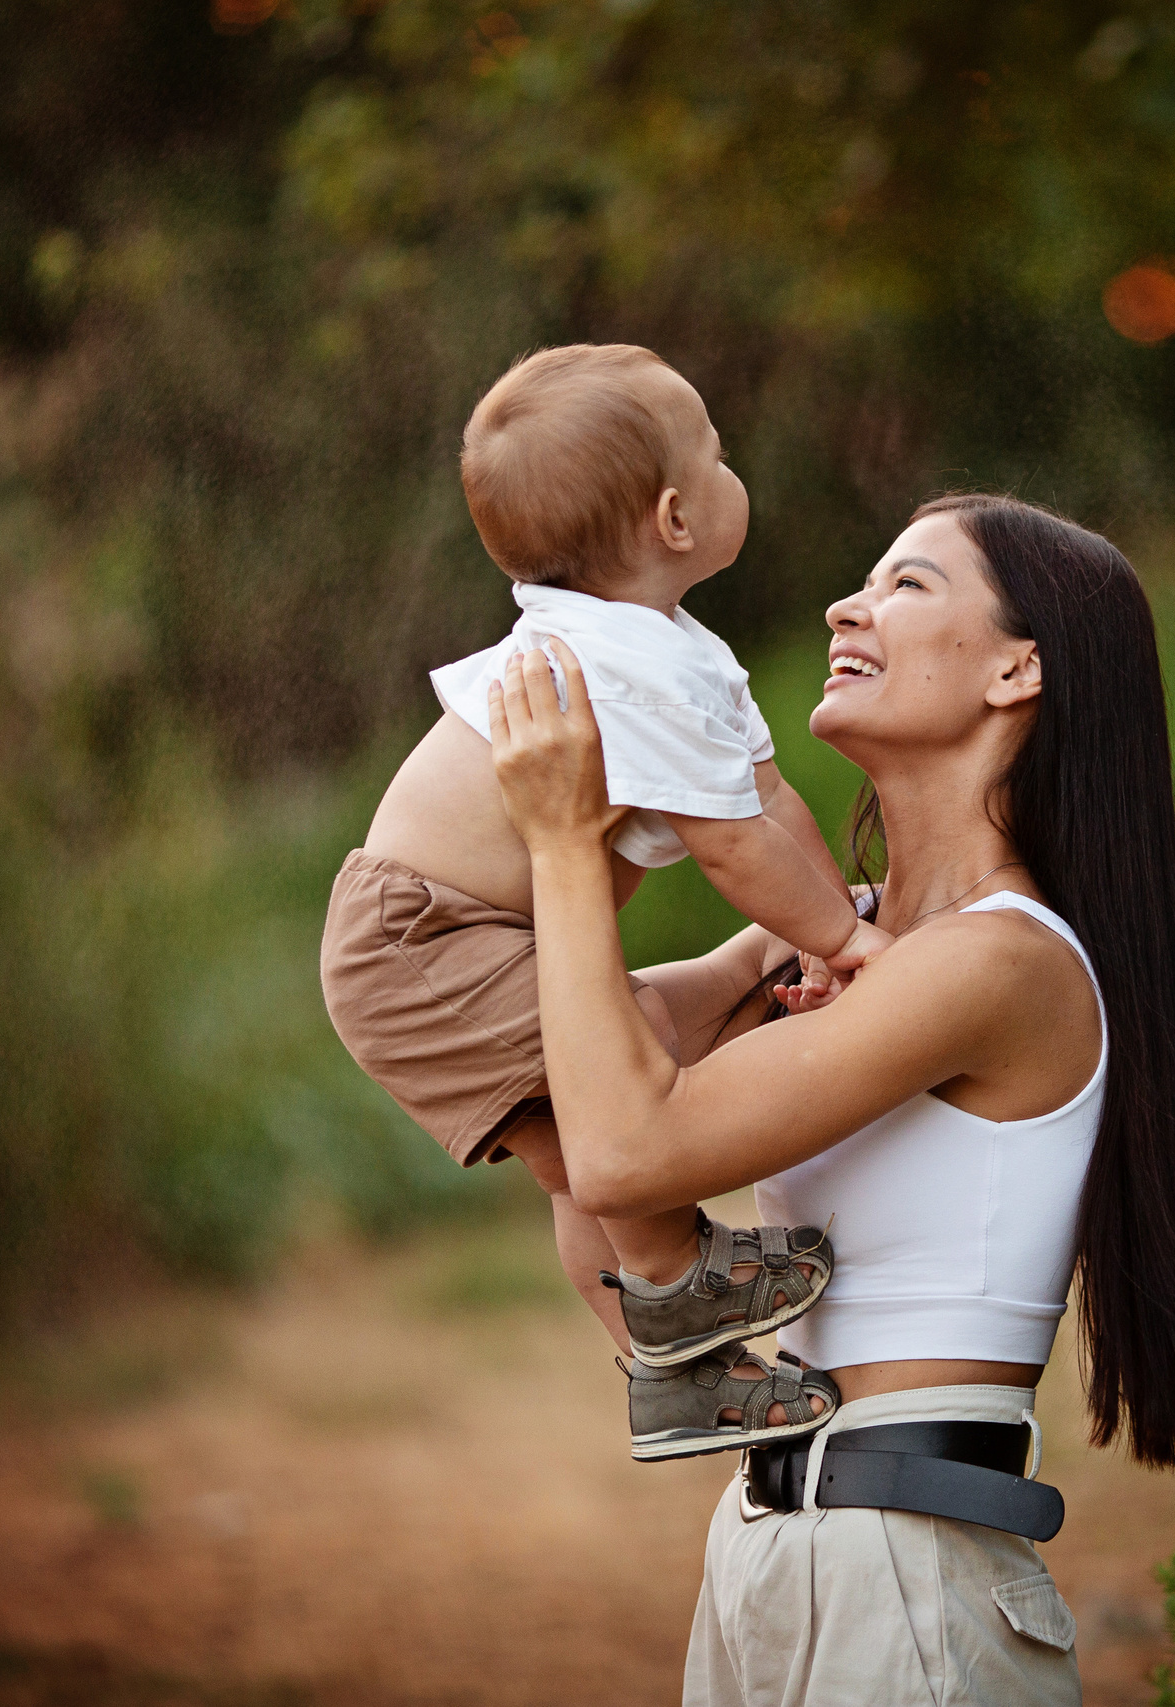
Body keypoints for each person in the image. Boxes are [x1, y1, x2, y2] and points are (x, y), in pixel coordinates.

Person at [487, 493, 1175, 1706]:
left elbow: (629, 1153)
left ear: (1018, 670)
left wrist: (565, 850)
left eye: (907, 585)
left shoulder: (1002, 963)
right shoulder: (837, 938)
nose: (849, 604)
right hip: (765, 1550)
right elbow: (569, 1097)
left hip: (904, 1572)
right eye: (866, 579)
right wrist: (642, 825)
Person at [321, 344, 893, 1458]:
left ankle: (670, 1376)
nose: (735, 472)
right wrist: (847, 938)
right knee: (602, 1105)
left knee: (600, 1097)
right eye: (719, 456)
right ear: (676, 518)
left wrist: (823, 927)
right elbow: (732, 846)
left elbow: (767, 806)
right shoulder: (618, 664)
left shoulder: (672, 653)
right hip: (421, 942)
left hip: (461, 936)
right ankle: (675, 1279)